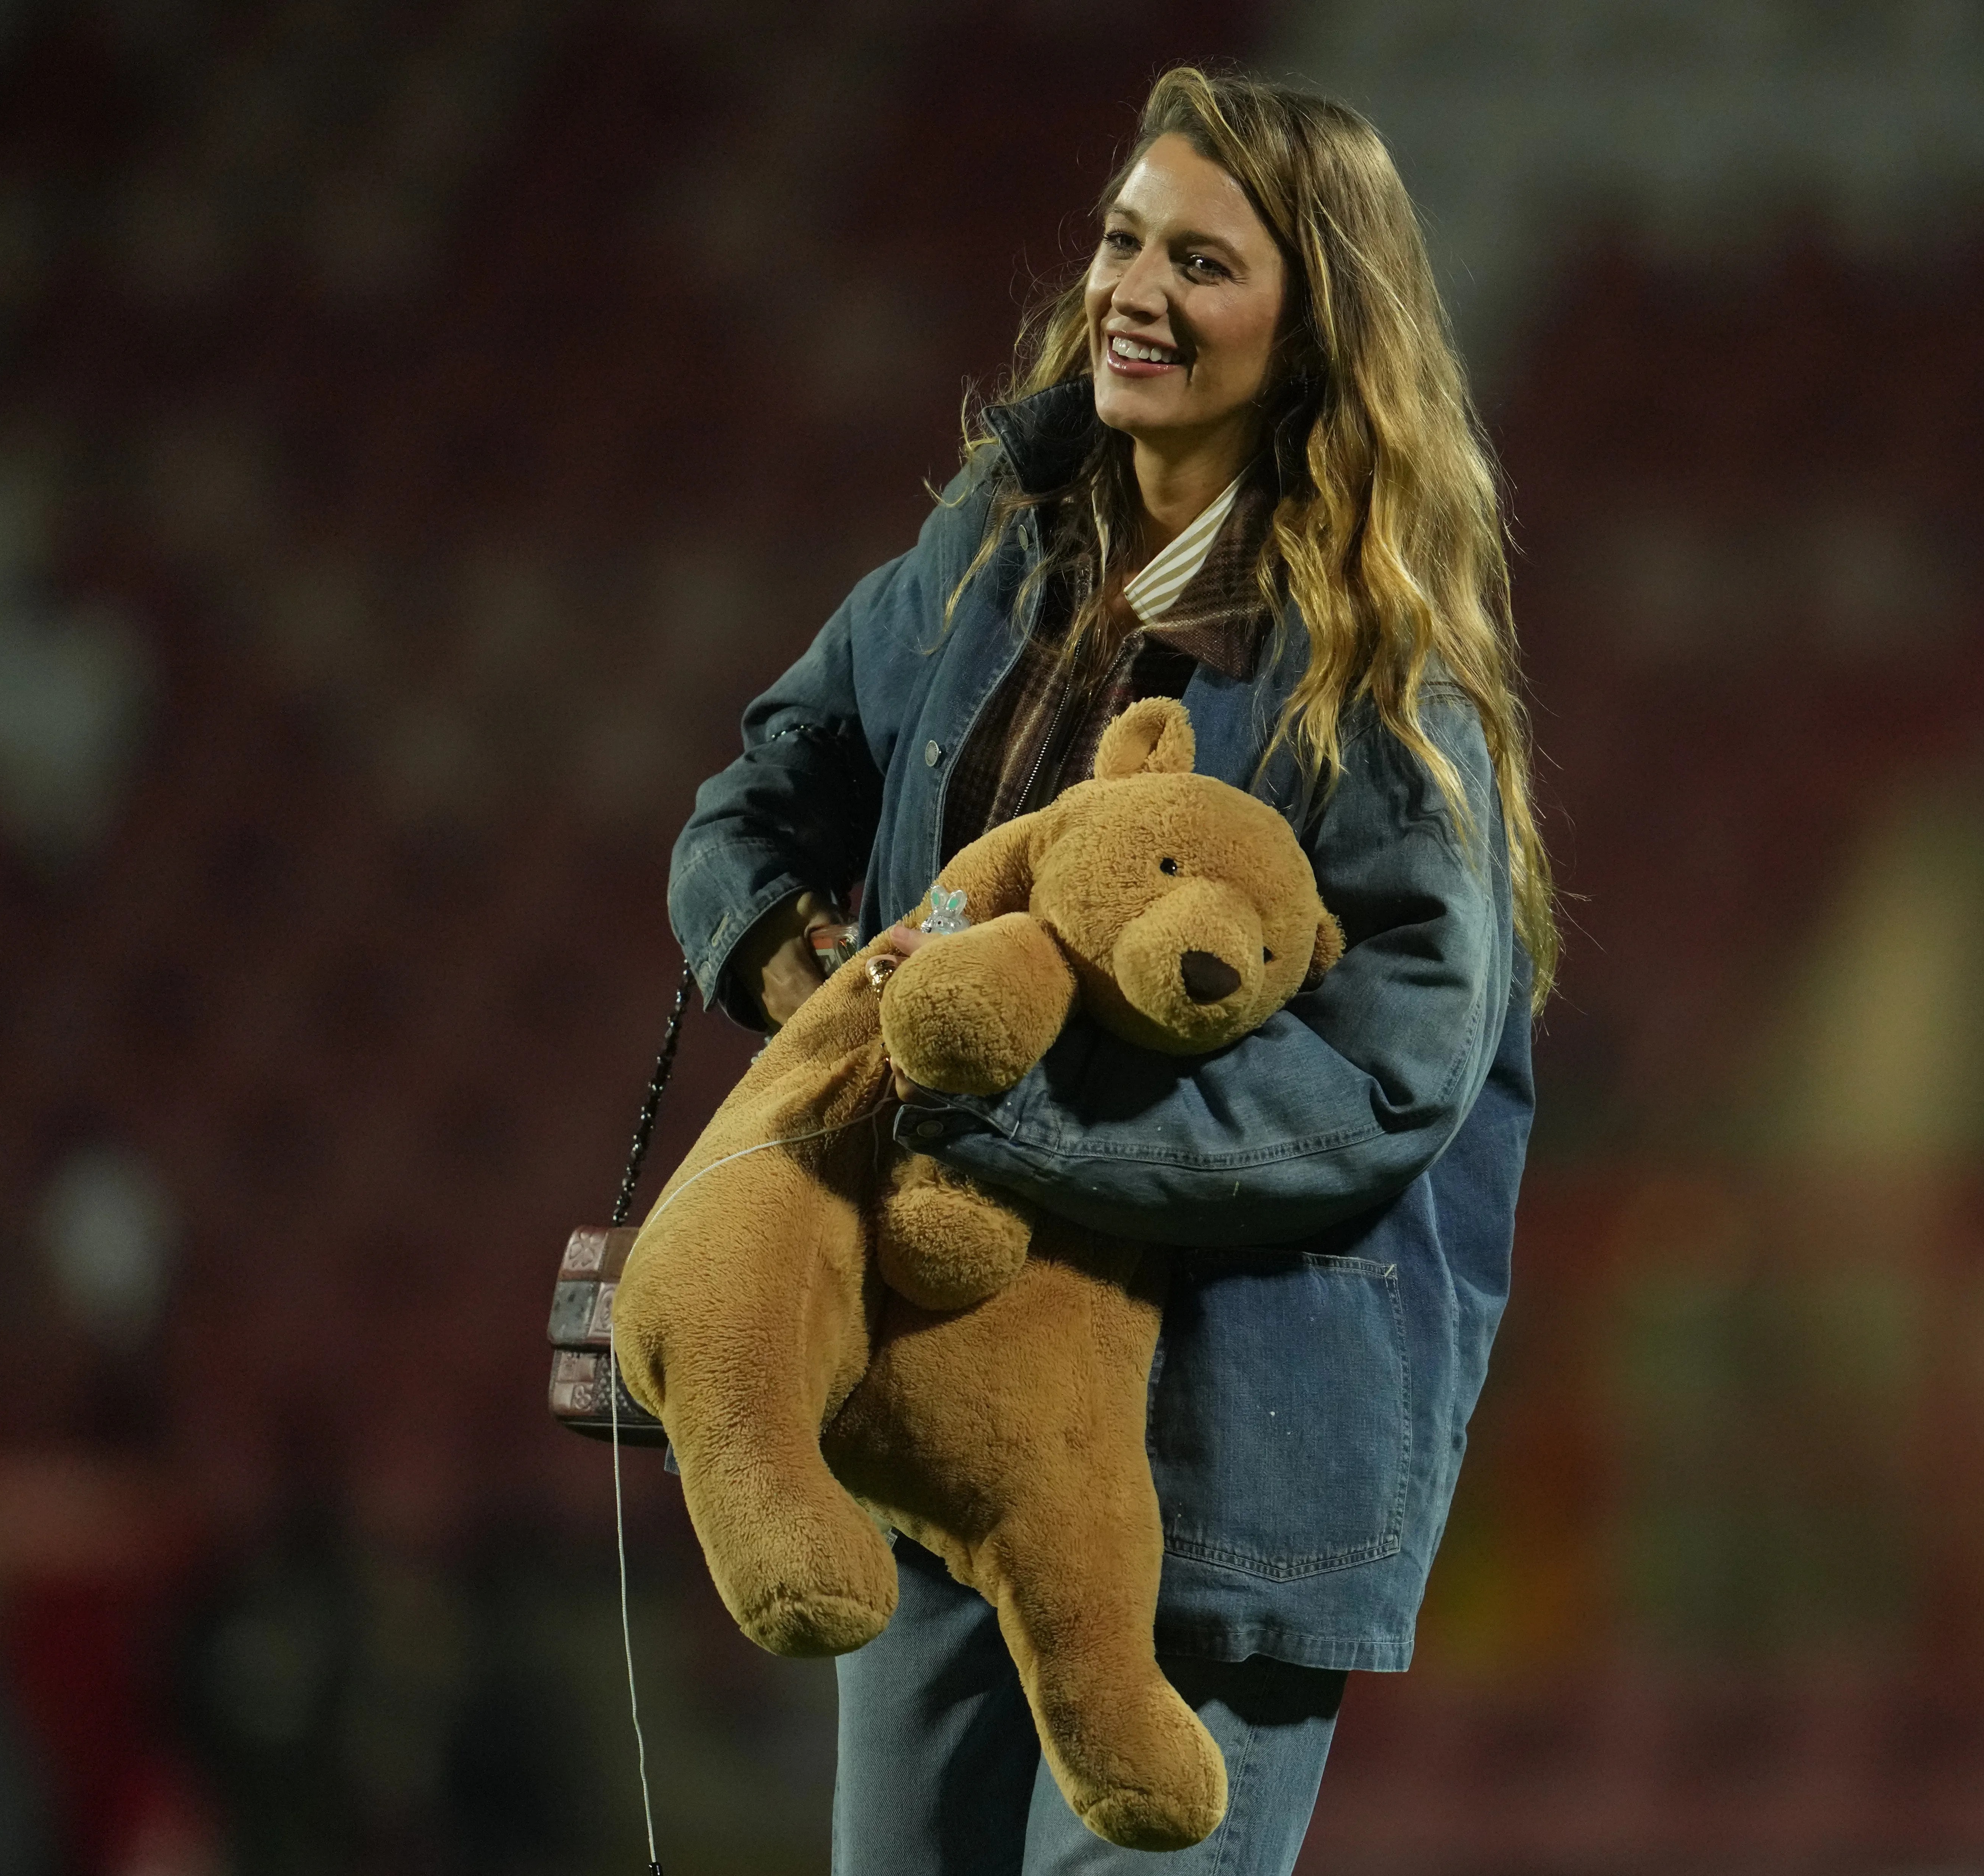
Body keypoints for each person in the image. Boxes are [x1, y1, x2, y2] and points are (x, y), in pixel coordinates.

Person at [668, 65, 1555, 1876]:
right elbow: (758, 795)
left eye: (1203, 263)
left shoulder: (1377, 682)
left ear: (1318, 333)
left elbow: (1391, 1081)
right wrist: (790, 955)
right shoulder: (979, 564)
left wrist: (999, 1123)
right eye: (1122, 240)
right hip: (941, 1414)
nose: (1135, 293)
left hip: (1228, 1469)